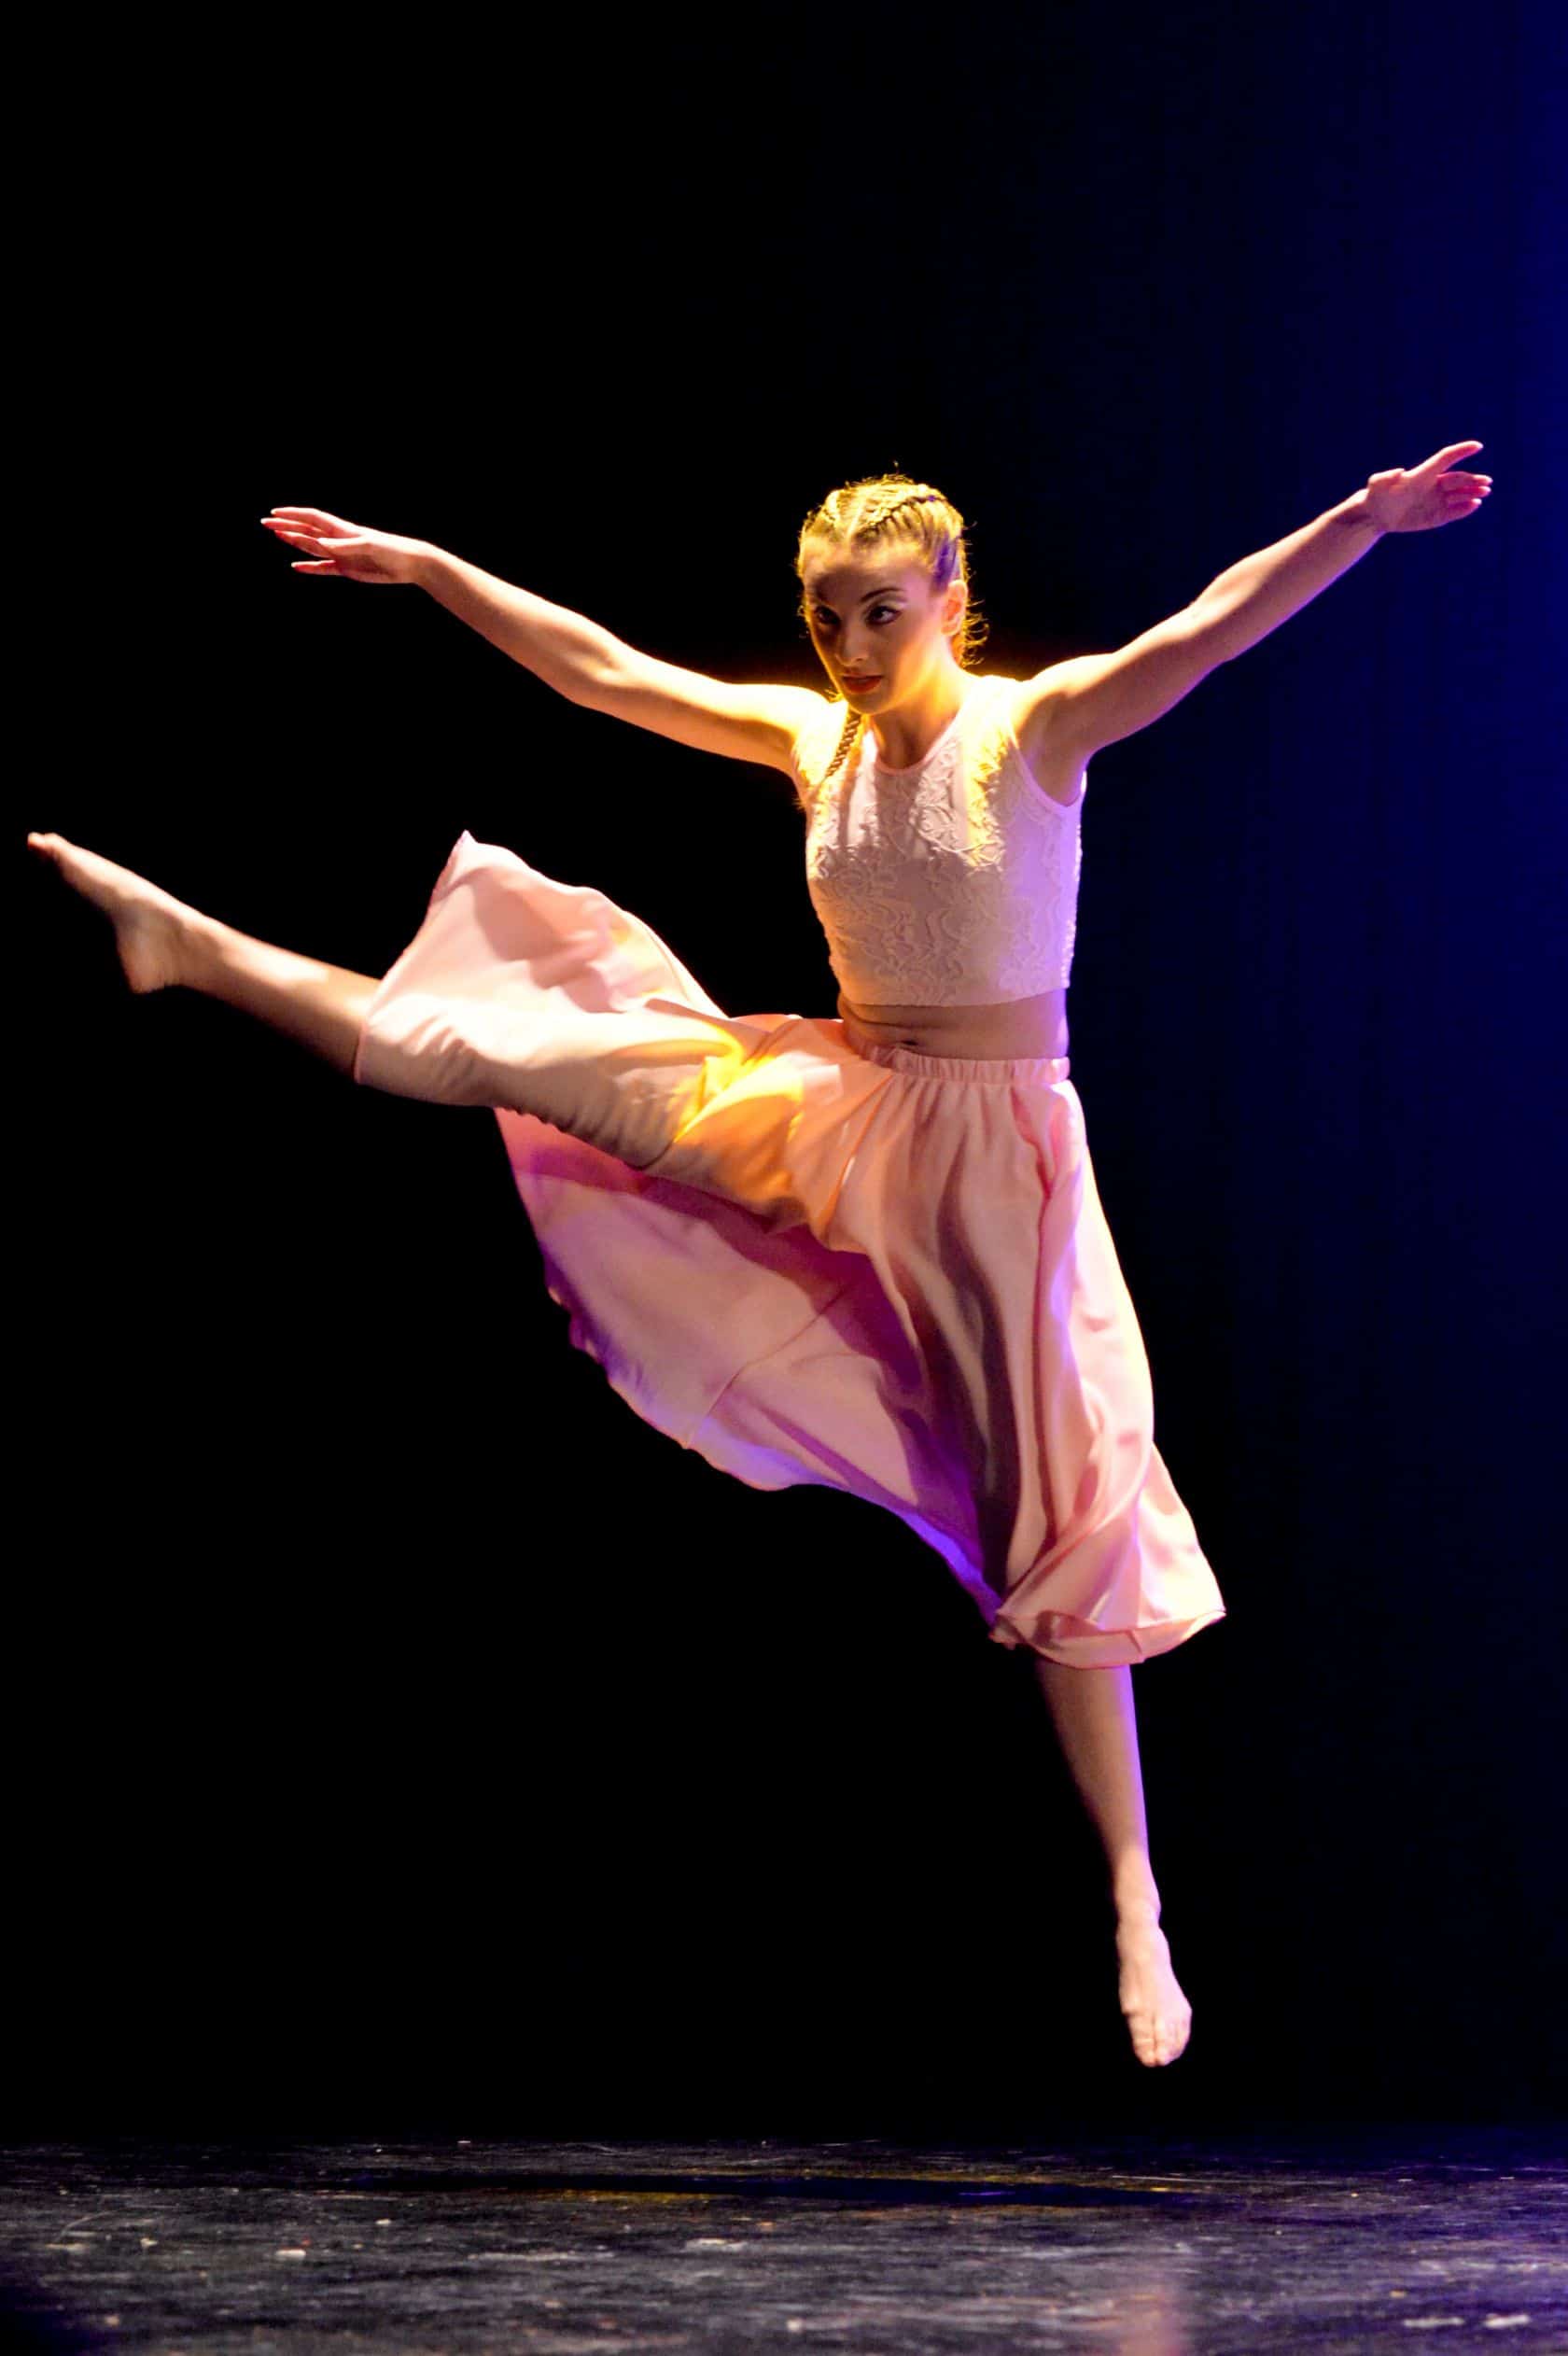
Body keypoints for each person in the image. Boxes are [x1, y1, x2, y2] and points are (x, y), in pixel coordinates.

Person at [27, 445, 1491, 2069]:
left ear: (948, 594)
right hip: (837, 1104)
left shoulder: (1036, 732)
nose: (850, 648)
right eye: (825, 618)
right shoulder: (816, 740)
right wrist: (431, 569)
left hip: (992, 1165)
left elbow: (1207, 629)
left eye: (880, 613)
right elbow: (604, 671)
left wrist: (1361, 522)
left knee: (1054, 1529)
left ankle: (1135, 1898)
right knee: (510, 1047)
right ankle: (193, 947)